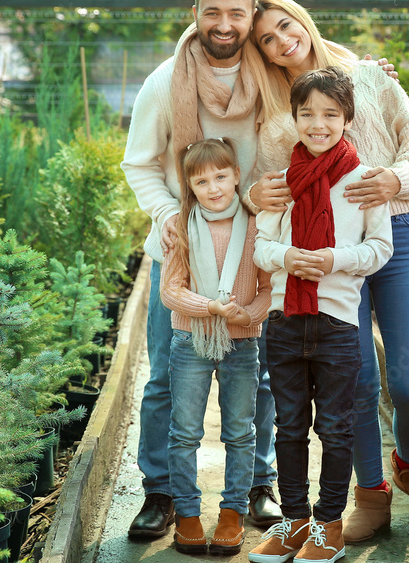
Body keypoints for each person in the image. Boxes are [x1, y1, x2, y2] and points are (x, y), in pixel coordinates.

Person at [249, 0, 409, 543]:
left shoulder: (369, 78)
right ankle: (372, 495)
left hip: (398, 236)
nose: (281, 42)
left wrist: (395, 180)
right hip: (331, 267)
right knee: (358, 384)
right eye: (267, 40)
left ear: (303, 20)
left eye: (284, 26)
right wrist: (256, 194)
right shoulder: (280, 126)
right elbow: (266, 198)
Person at [121, 0, 282, 539]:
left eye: (237, 12)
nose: (224, 23)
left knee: (258, 379)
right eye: (212, 11)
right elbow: (138, 163)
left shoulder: (271, 79)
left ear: (251, 15)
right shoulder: (166, 82)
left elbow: (321, 61)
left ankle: (257, 486)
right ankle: (161, 493)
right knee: (165, 379)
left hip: (255, 251)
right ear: (196, 11)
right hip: (181, 256)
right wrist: (172, 217)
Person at [249, 67, 393, 563]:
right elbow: (261, 247)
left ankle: (328, 526)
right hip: (284, 323)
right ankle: (293, 522)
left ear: (347, 118)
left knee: (335, 428)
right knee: (288, 426)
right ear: (293, 118)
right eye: (307, 113)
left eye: (330, 113)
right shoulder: (281, 184)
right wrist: (288, 257)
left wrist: (334, 259)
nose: (318, 123)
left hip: (336, 326)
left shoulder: (363, 181)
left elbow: (379, 249)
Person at [161, 138, 273, 556]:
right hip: (190, 339)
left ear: (237, 176)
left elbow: (267, 289)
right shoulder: (182, 225)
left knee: (240, 432)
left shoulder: (256, 224)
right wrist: (209, 307)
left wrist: (248, 315)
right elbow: (171, 291)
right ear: (191, 186)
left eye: (221, 177)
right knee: (185, 431)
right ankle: (188, 512)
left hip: (242, 342)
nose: (213, 187)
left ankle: (232, 513)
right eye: (202, 181)